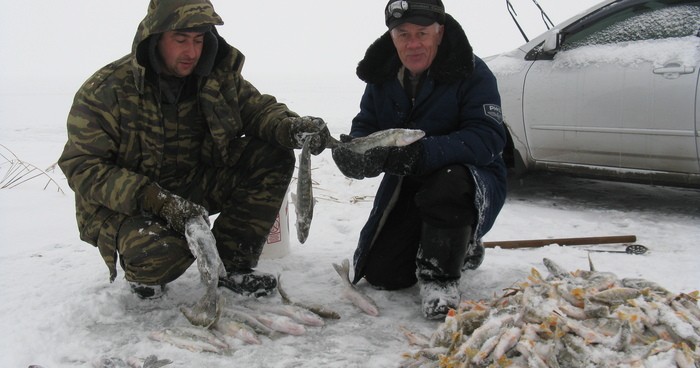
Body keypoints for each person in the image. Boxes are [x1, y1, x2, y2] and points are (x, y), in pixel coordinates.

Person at [58, 0, 330, 300]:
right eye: (181, 40)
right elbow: (83, 166)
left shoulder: (214, 77)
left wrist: (292, 127)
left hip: (190, 186)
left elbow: (258, 110)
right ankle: (144, 269)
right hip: (129, 204)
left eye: (199, 40)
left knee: (272, 155)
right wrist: (156, 201)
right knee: (163, 254)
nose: (191, 52)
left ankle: (233, 264)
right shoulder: (107, 90)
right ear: (155, 36)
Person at [332, 0, 507, 319]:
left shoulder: (473, 72)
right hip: (408, 181)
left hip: (469, 181)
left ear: (439, 33)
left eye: (422, 33)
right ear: (391, 36)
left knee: (448, 182)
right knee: (384, 275)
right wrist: (357, 153)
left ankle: (443, 276)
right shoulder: (382, 76)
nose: (412, 43)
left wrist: (423, 152)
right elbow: (367, 125)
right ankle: (448, 243)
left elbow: (489, 139)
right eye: (403, 34)